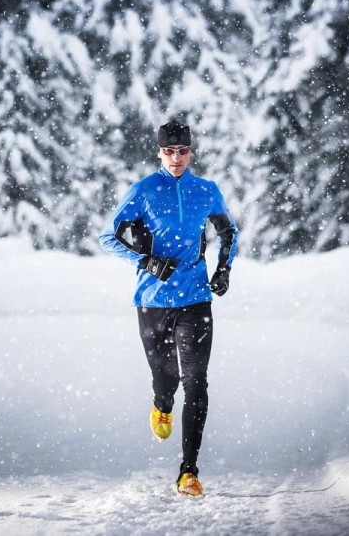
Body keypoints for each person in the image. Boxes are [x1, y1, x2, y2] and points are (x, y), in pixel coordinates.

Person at [98, 119, 237, 496]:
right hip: (153, 301)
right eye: (170, 151)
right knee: (168, 381)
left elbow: (229, 231)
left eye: (184, 151)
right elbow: (107, 237)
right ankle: (161, 403)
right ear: (159, 152)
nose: (177, 158)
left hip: (195, 300)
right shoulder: (144, 190)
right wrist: (146, 263)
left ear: (191, 152)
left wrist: (223, 270)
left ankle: (188, 471)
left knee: (196, 383)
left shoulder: (206, 191)